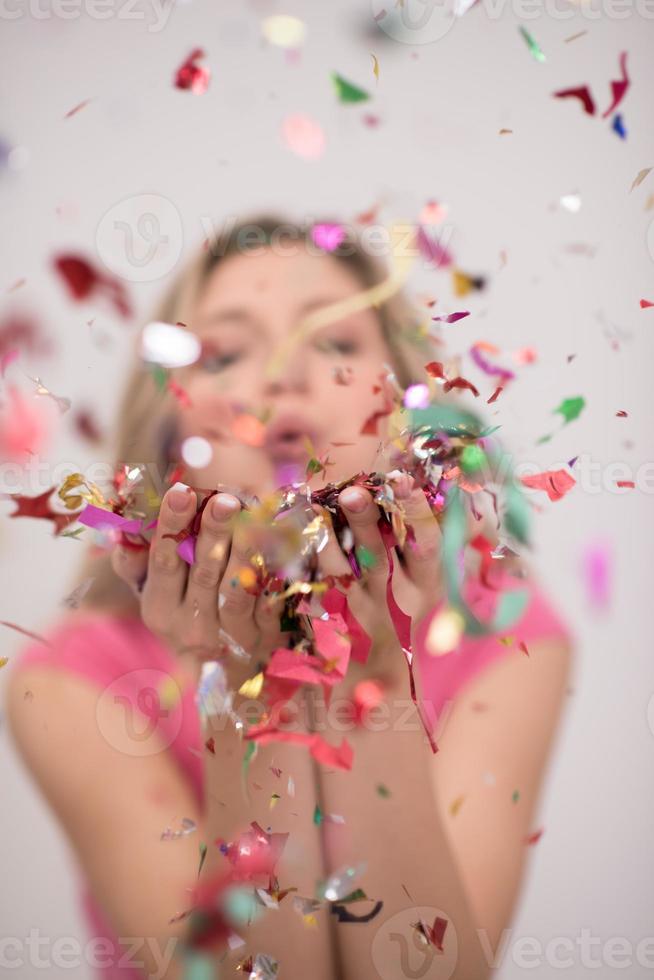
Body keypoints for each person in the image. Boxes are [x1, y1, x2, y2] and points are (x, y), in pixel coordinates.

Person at [6, 215, 574, 980]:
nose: (284, 372)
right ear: (170, 427)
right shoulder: (69, 682)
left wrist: (369, 678)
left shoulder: (511, 638)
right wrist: (246, 693)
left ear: (404, 411)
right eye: (230, 353)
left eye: (337, 342)